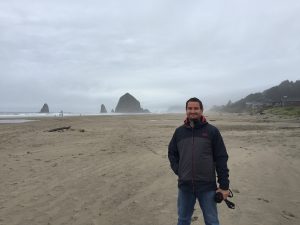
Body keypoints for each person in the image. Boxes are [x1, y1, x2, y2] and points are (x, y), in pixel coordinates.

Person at [168, 97, 230, 225]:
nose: (193, 111)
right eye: (190, 108)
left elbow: (221, 158)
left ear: (201, 110)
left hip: (207, 186)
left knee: (212, 221)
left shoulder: (212, 131)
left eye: (196, 108)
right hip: (185, 186)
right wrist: (179, 170)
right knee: (183, 220)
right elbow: (172, 153)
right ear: (186, 110)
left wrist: (224, 186)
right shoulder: (179, 132)